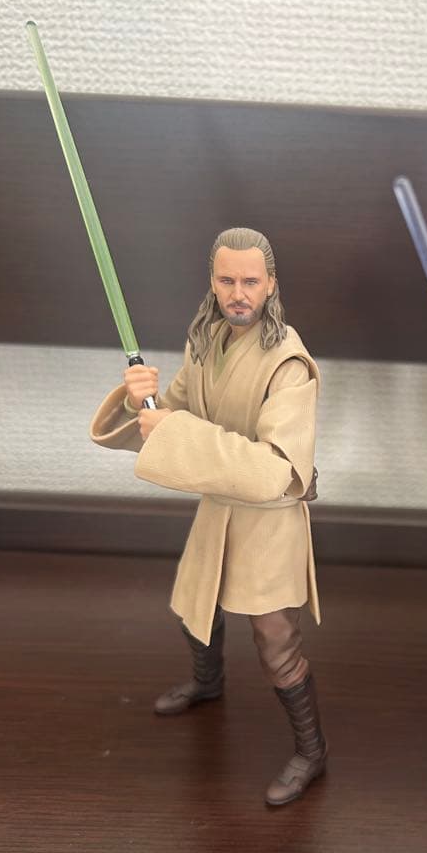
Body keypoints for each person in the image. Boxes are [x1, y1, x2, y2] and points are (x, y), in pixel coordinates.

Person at [90, 227, 327, 806]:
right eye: (227, 280)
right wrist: (141, 400)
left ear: (271, 284)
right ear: (213, 282)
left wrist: (173, 428)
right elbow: (172, 414)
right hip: (219, 509)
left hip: (268, 520)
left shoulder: (289, 365)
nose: (238, 293)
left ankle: (311, 751)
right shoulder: (206, 340)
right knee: (195, 602)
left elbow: (276, 471)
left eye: (250, 281)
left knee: (275, 639)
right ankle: (207, 682)